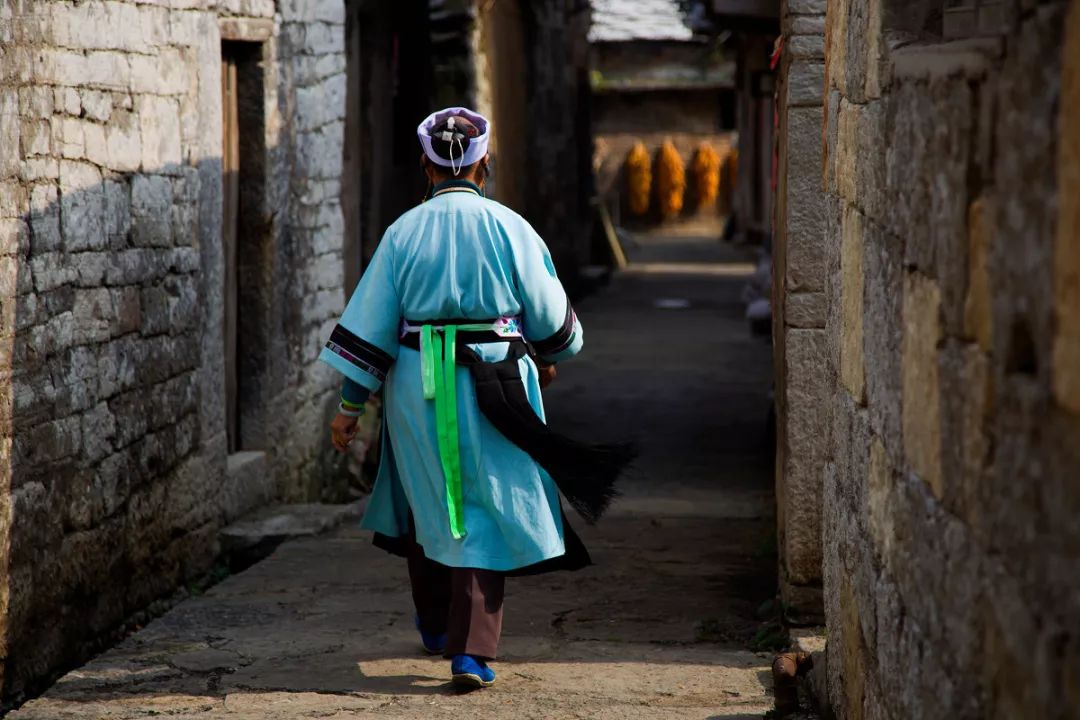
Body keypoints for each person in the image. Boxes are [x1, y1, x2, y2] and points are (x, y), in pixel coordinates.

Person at [319, 107, 629, 689]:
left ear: (425, 165)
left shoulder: (401, 233)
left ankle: (437, 623)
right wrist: (547, 358)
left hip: (419, 383)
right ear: (485, 163)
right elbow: (559, 327)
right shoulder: (512, 227)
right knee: (483, 506)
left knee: (430, 497)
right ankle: (472, 652)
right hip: (501, 381)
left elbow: (371, 329)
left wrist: (350, 407)